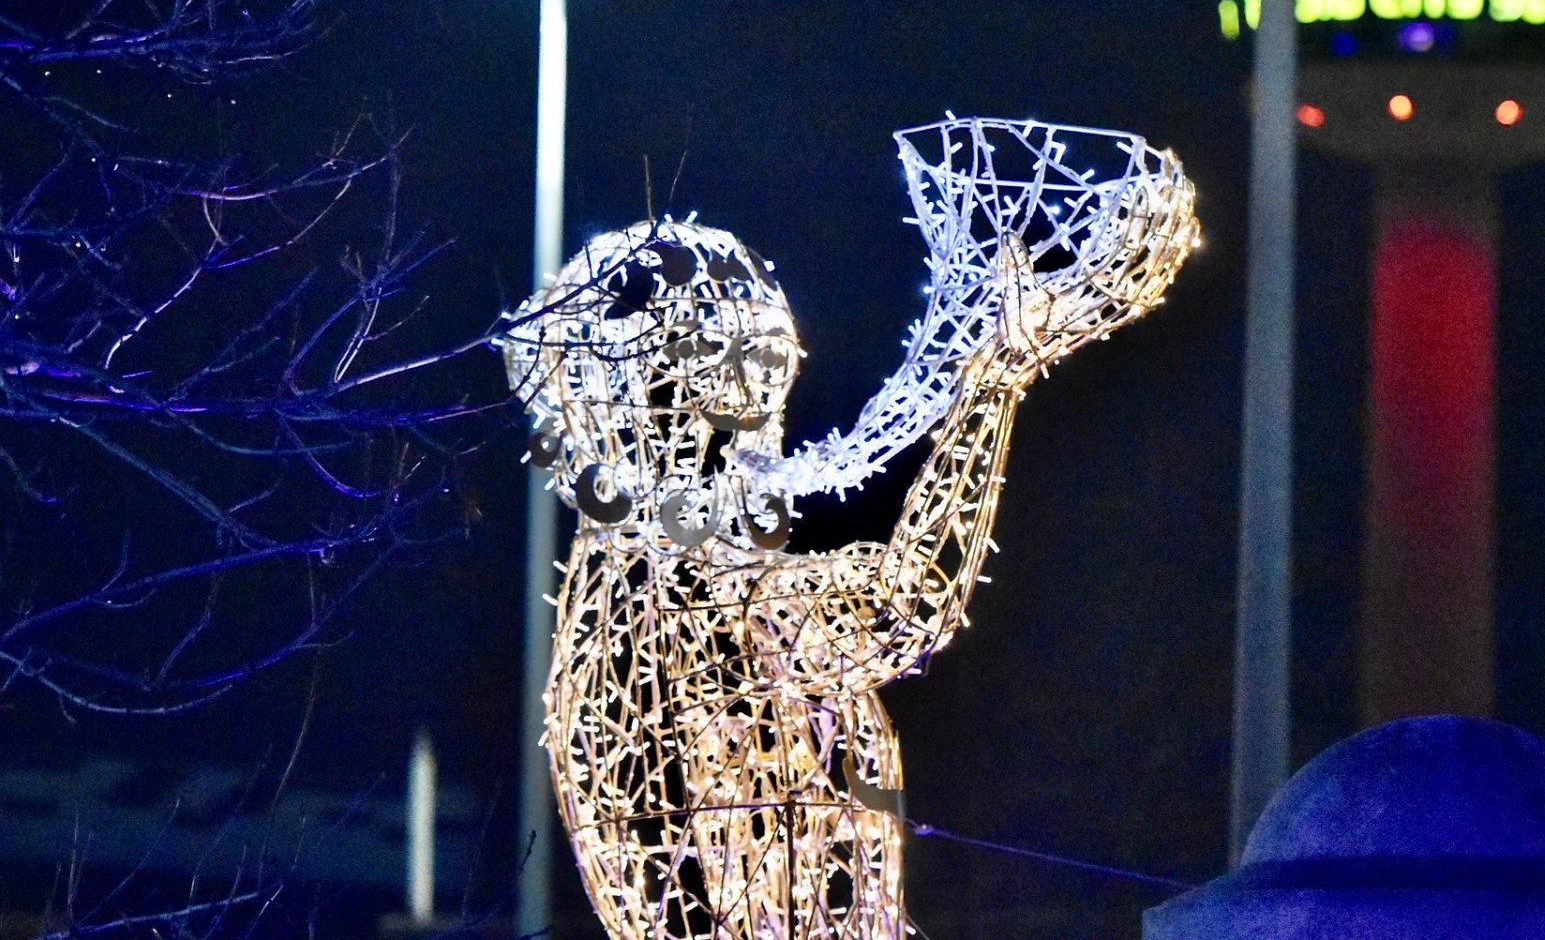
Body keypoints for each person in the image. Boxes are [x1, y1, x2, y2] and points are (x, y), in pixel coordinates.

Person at [501, 163, 1195, 939]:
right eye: (728, 371)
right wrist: (994, 384)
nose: (766, 404)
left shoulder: (618, 583)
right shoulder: (676, 585)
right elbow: (906, 602)